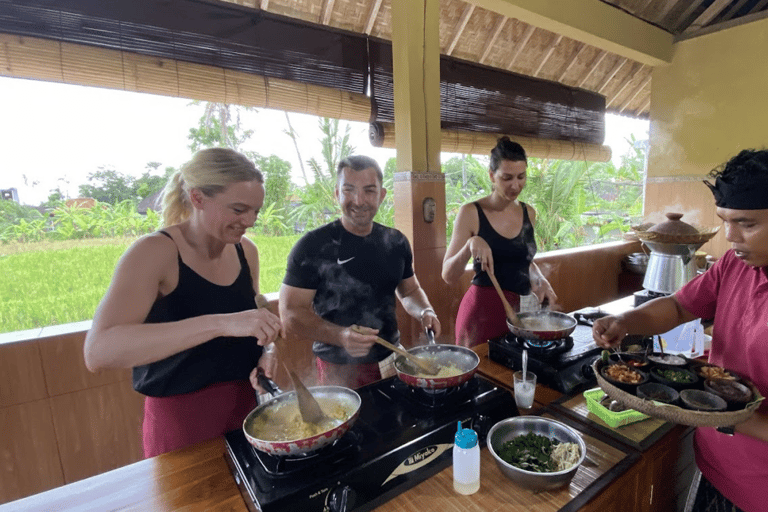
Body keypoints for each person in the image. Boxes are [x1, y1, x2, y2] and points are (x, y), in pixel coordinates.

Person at [592, 149, 768, 512]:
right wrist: (627, 323)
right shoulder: (735, 267)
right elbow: (678, 306)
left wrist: (732, 417)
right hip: (714, 467)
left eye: (747, 224)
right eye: (726, 221)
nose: (731, 237)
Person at [83, 147, 282, 458]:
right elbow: (98, 351)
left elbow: (255, 319)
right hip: (182, 421)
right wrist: (222, 322)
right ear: (198, 198)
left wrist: (266, 352)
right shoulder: (155, 252)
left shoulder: (246, 251)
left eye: (255, 211)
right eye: (239, 209)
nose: (250, 221)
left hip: (247, 410)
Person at [279, 155, 441, 389]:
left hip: (391, 359)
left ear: (382, 195)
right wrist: (341, 336)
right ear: (337, 194)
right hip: (339, 369)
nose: (359, 200)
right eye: (349, 190)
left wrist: (425, 310)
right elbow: (290, 314)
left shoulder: (396, 242)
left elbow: (409, 291)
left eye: (369, 191)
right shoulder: (312, 246)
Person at [442, 137, 558, 347]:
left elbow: (523, 260)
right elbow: (448, 275)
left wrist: (541, 279)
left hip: (521, 313)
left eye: (521, 176)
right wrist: (471, 244)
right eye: (507, 178)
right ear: (491, 176)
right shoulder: (471, 213)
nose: (515, 185)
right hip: (483, 313)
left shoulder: (528, 212)